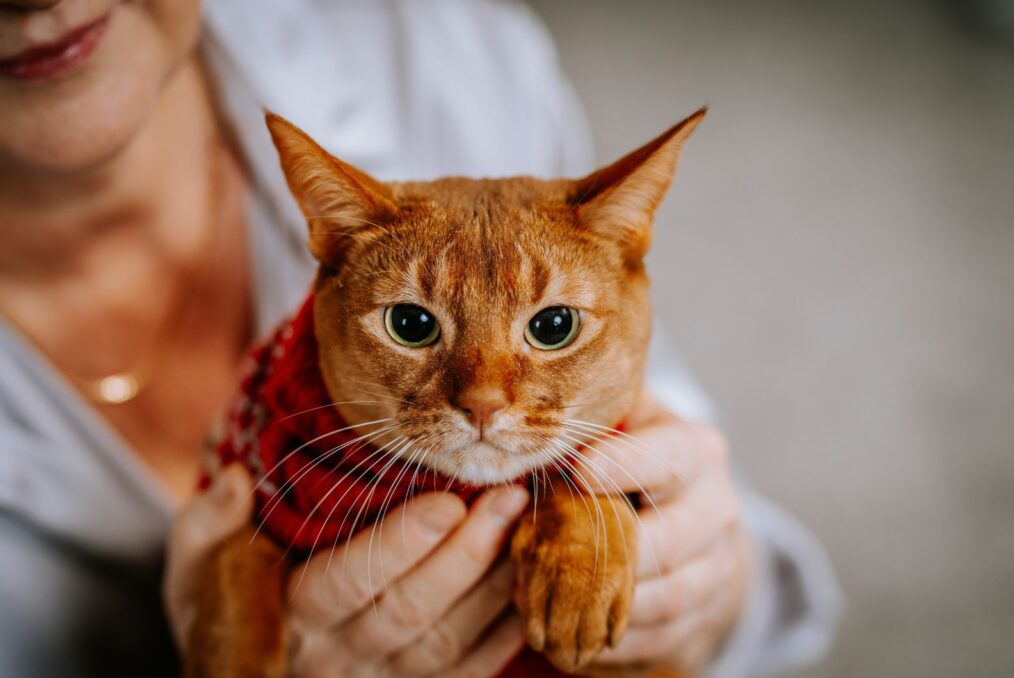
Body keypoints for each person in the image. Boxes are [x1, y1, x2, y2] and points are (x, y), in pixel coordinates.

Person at [0, 0, 842, 676]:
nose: (482, 400)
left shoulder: (449, 45)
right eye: (413, 324)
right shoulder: (283, 438)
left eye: (548, 328)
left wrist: (708, 592)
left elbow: (727, 529)